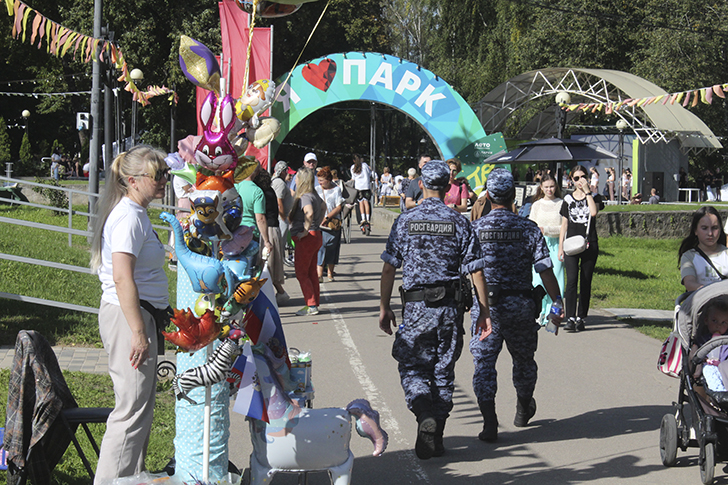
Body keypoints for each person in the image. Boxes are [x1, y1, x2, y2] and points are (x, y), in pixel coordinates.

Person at [379, 160, 491, 460]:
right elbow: (476, 271)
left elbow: (389, 268)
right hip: (449, 309)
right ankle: (436, 435)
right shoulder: (459, 222)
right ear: (447, 186)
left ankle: (423, 413)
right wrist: (484, 310)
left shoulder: (406, 220)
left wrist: (384, 307)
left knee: (413, 366)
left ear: (422, 185)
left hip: (417, 309)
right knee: (443, 371)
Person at [89, 145, 170, 482]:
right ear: (133, 180)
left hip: (138, 316)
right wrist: (138, 332)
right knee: (130, 410)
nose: (164, 180)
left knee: (140, 409)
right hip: (129, 320)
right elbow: (122, 277)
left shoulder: (136, 213)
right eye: (158, 175)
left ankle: (131, 477)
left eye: (166, 173)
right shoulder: (128, 217)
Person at [469, 168, 563, 443]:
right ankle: (523, 407)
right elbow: (545, 270)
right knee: (523, 360)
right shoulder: (527, 228)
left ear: (488, 196)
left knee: (484, 364)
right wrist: (557, 301)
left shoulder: (475, 229)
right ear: (513, 195)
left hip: (486, 308)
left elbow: (467, 270)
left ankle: (489, 422)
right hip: (521, 305)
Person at [558, 165, 603, 332]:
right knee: (571, 280)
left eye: (583, 177)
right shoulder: (568, 199)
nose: (580, 181)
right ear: (571, 180)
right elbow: (564, 224)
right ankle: (570, 317)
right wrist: (561, 246)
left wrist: (588, 192)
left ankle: (581, 317)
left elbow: (593, 212)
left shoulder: (595, 196)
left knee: (585, 280)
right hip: (571, 243)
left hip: (589, 243)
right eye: (576, 178)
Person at [528, 174, 565, 325]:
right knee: (538, 279)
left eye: (552, 186)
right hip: (539, 244)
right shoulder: (537, 205)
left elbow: (564, 227)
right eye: (546, 187)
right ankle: (540, 311)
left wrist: (547, 229)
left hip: (556, 244)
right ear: (541, 188)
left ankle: (554, 312)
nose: (549, 190)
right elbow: (531, 225)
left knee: (556, 278)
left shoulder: (561, 203)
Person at [289, 167, 325, 316]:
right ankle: (313, 302)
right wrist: (318, 222)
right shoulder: (314, 194)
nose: (295, 180)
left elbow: (308, 213)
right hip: (316, 235)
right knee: (311, 272)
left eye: (297, 177)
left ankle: (311, 304)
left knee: (302, 273)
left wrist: (305, 230)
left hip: (307, 238)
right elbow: (323, 206)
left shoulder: (305, 196)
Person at [254, 168, 288, 304]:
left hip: (268, 229)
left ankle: (279, 293)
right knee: (271, 265)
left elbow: (261, 215)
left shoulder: (261, 193)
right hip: (274, 228)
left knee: (266, 265)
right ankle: (280, 293)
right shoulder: (270, 191)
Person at [678, 206, 728, 292]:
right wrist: (713, 291)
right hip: (701, 298)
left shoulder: (726, 254)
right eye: (704, 228)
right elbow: (689, 283)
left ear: (720, 229)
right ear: (695, 230)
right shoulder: (689, 256)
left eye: (715, 228)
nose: (710, 233)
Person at [691, 297, 728, 399]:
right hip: (709, 364)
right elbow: (697, 354)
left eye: (723, 322)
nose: (718, 326)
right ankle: (719, 393)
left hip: (724, 365)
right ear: (706, 321)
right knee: (709, 370)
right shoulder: (702, 339)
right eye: (714, 321)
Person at [235, 163, 273, 258]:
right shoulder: (257, 192)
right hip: (250, 234)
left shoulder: (235, 187)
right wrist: (267, 241)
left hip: (234, 232)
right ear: (256, 172)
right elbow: (260, 219)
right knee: (249, 265)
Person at [316, 166, 344, 282]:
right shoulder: (317, 189)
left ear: (328, 180)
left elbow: (338, 207)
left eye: (322, 180)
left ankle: (330, 273)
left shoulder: (336, 190)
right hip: (319, 223)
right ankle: (319, 274)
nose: (320, 182)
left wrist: (327, 217)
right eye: (318, 180)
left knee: (332, 248)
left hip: (332, 223)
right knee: (320, 248)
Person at [272, 161, 295, 253]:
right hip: (280, 218)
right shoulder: (279, 183)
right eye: (286, 171)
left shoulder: (277, 182)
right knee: (279, 245)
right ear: (282, 171)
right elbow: (279, 201)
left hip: (280, 217)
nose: (286, 173)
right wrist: (283, 217)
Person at [350, 154, 373, 227]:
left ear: (353, 160)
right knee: (366, 202)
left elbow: (353, 178)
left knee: (360, 203)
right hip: (366, 186)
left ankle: (363, 218)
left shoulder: (353, 167)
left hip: (358, 187)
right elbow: (369, 174)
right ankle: (368, 218)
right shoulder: (365, 165)